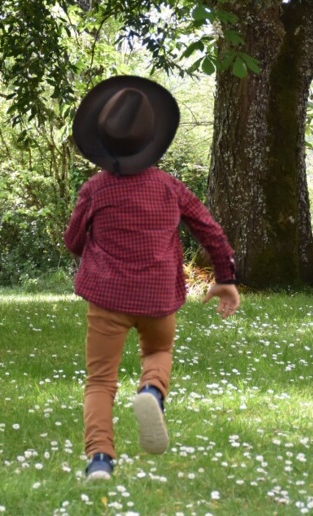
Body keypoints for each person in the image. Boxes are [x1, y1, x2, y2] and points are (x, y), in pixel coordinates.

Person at [64, 76, 241, 481]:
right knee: (159, 352)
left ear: (103, 141)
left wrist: (93, 245)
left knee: (100, 381)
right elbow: (210, 230)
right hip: (158, 298)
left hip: (107, 298)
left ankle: (100, 460)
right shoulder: (170, 188)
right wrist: (225, 276)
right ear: (151, 140)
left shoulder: (95, 189)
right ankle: (151, 392)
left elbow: (73, 241)